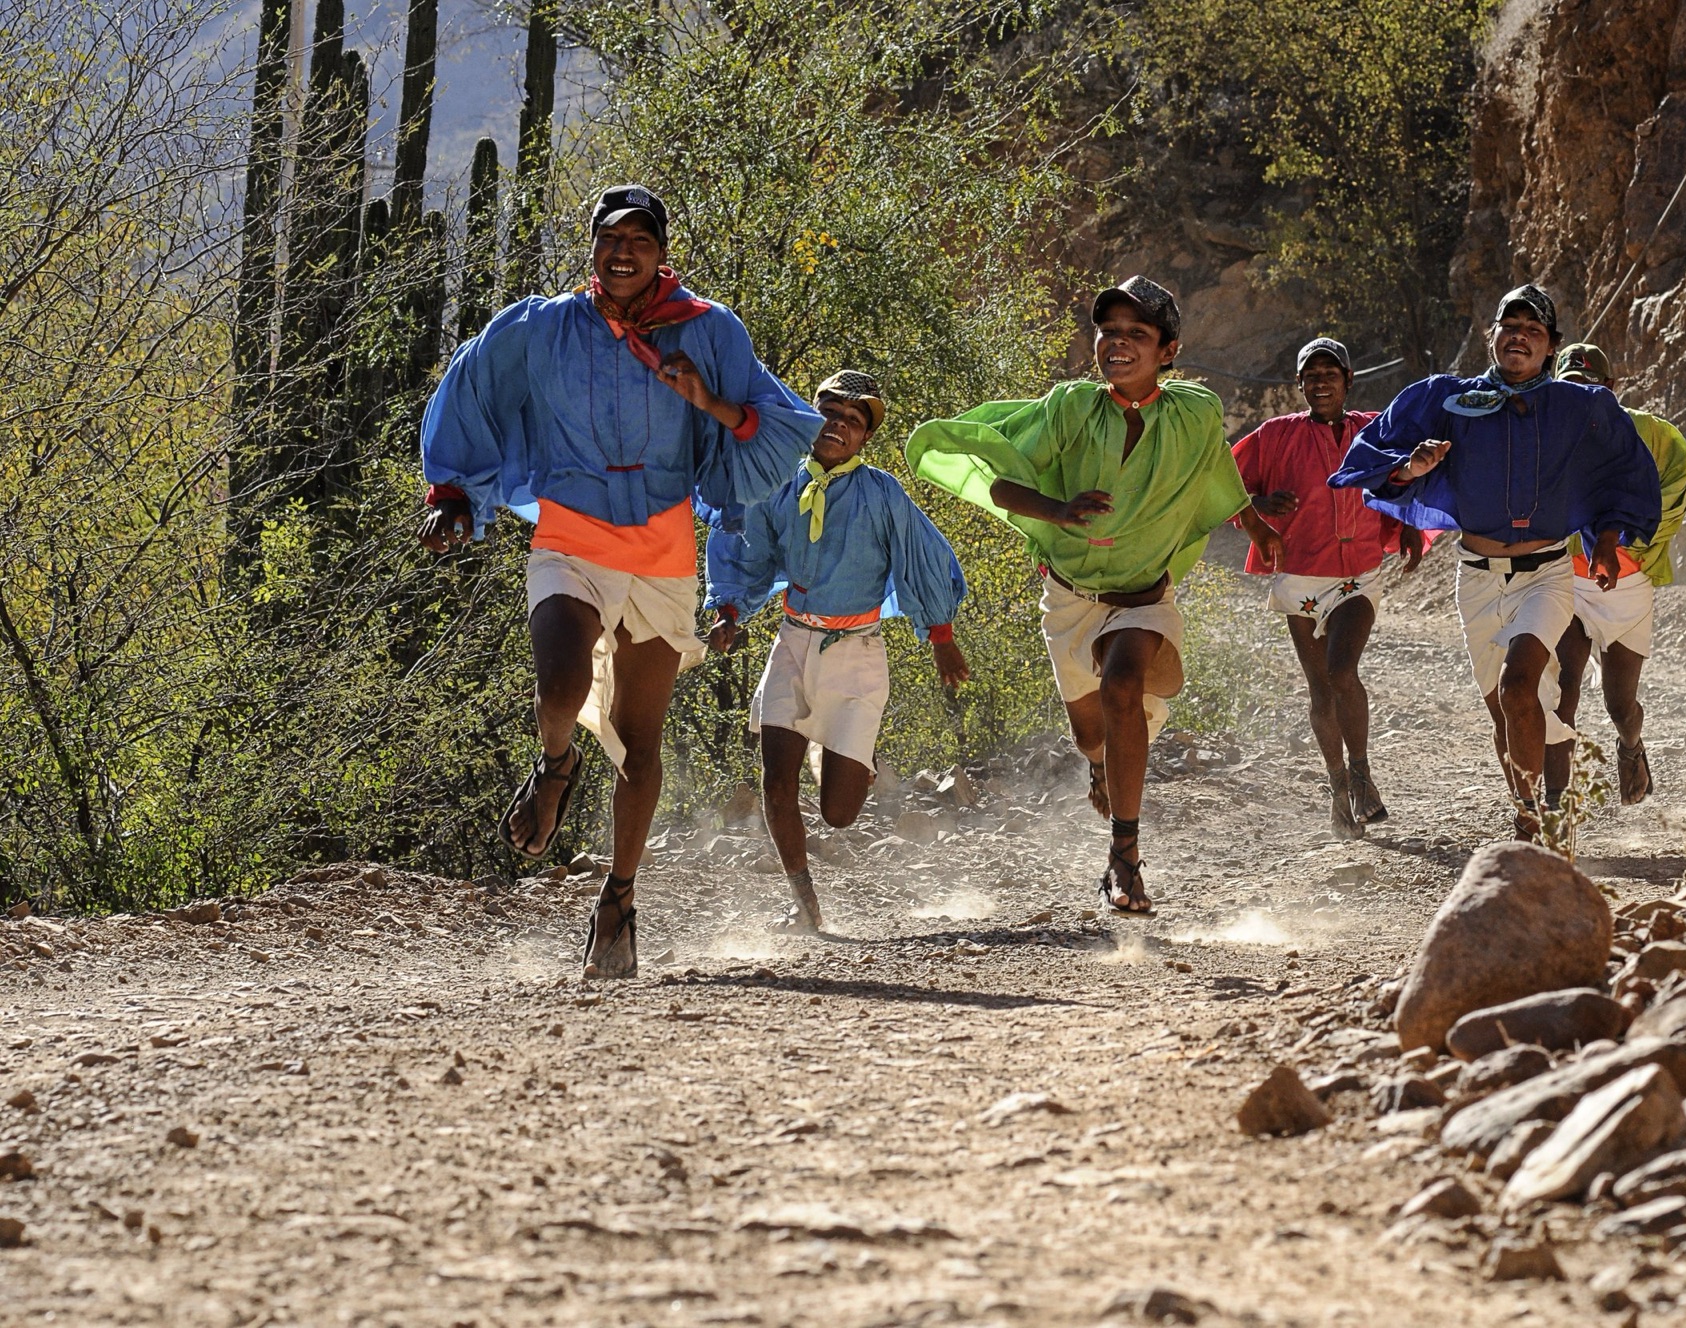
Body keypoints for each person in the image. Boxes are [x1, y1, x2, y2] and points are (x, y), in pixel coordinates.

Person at [417, 184, 820, 979]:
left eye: (641, 238)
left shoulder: (710, 332)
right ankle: (558, 762)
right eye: (611, 237)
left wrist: (706, 399)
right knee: (559, 688)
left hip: (664, 547)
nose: (625, 250)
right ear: (592, 248)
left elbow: (774, 422)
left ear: (663, 253)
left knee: (642, 743)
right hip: (571, 532)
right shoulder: (542, 326)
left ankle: (619, 898)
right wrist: (454, 495)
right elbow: (471, 389)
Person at [906, 276, 1282, 914]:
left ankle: (1124, 856)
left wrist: (1251, 521)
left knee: (1122, 683)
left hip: (1145, 597)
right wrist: (1056, 509)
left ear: (1169, 350)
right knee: (1090, 737)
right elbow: (999, 485)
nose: (1119, 343)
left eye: (1138, 333)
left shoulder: (1196, 413)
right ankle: (1104, 765)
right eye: (1109, 331)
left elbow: (1216, 469)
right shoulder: (1070, 408)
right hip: (1070, 598)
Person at [1330, 285, 1660, 839]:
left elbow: (1623, 471)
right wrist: (1412, 467)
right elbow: (1373, 453)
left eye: (1534, 329)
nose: (1520, 336)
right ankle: (1546, 804)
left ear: (1552, 345)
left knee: (1519, 687)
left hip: (1548, 575)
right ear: (1491, 337)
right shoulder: (1445, 401)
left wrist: (1605, 537)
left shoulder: (1579, 407)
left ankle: (1532, 825)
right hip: (1477, 579)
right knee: (1507, 717)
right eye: (1510, 325)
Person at [705, 371, 970, 933]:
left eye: (853, 421)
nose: (839, 426)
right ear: (813, 415)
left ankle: (856, 760)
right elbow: (747, 551)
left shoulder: (881, 494)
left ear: (864, 438)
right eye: (831, 412)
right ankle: (806, 908)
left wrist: (940, 636)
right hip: (793, 642)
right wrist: (729, 611)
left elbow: (922, 557)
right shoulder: (779, 484)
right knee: (776, 784)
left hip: (856, 652)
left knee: (839, 814)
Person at [1232, 337, 1426, 838]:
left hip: (1358, 571)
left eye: (1330, 374)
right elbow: (1221, 480)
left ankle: (1361, 773)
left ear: (1348, 381)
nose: (1320, 383)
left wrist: (1407, 524)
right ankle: (1338, 787)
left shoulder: (1374, 429)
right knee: (1319, 688)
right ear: (1300, 385)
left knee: (1342, 671)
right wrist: (1257, 505)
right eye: (1311, 376)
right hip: (1300, 575)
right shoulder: (1275, 435)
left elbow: (1406, 477)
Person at [1541, 343, 1686, 808]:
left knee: (1619, 706)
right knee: (1563, 690)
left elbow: (1674, 493)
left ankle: (1631, 747)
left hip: (1626, 587)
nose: (1580, 395)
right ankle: (1555, 807)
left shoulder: (1654, 434)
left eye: (1590, 385)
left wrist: (1623, 541)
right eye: (1569, 386)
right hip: (1565, 580)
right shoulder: (1543, 433)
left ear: (1610, 389)